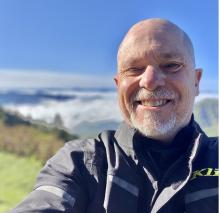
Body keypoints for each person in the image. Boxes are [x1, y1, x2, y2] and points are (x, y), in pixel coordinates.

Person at [9, 18, 218, 213]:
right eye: (134, 69)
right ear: (119, 86)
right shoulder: (80, 164)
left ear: (196, 81)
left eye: (171, 65)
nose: (150, 81)